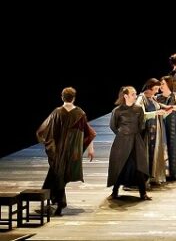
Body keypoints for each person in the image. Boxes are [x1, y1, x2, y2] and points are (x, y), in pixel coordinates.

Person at [36, 87, 96, 216]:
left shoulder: (57, 112)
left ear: (62, 97)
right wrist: (90, 149)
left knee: (58, 174)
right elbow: (88, 132)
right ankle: (54, 199)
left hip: (58, 152)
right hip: (72, 153)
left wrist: (49, 145)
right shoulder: (80, 113)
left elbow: (44, 130)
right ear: (74, 98)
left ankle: (58, 201)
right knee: (57, 175)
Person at [107, 86, 150, 200]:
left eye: (135, 94)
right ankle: (114, 192)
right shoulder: (117, 111)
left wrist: (133, 134)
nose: (135, 96)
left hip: (136, 140)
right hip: (122, 141)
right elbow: (113, 126)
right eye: (133, 94)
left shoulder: (139, 109)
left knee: (139, 166)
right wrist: (123, 134)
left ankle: (143, 193)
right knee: (120, 165)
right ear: (125, 96)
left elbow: (141, 125)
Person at [135, 79, 168, 186]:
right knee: (147, 153)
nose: (157, 91)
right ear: (149, 88)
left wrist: (165, 112)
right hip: (147, 132)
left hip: (156, 129)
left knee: (156, 152)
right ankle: (144, 179)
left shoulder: (152, 98)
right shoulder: (141, 98)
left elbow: (157, 112)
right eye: (155, 88)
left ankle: (152, 176)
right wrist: (156, 112)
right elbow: (140, 115)